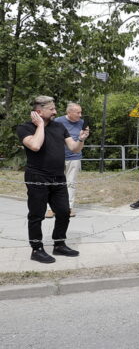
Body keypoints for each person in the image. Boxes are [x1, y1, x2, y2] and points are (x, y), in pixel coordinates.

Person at [17, 96, 90, 263]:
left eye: (55, 108)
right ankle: (36, 249)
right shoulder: (24, 128)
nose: (55, 112)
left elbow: (73, 148)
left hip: (58, 176)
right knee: (36, 215)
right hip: (37, 177)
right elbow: (35, 145)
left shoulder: (59, 126)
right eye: (51, 109)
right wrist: (41, 126)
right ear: (38, 111)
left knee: (64, 211)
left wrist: (81, 139)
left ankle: (59, 244)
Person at [46, 102, 88, 218]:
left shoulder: (82, 123)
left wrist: (84, 137)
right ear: (69, 112)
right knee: (53, 183)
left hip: (74, 157)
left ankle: (68, 208)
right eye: (78, 112)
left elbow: (81, 141)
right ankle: (51, 209)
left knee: (71, 184)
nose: (80, 115)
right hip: (57, 157)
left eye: (81, 112)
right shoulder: (57, 121)